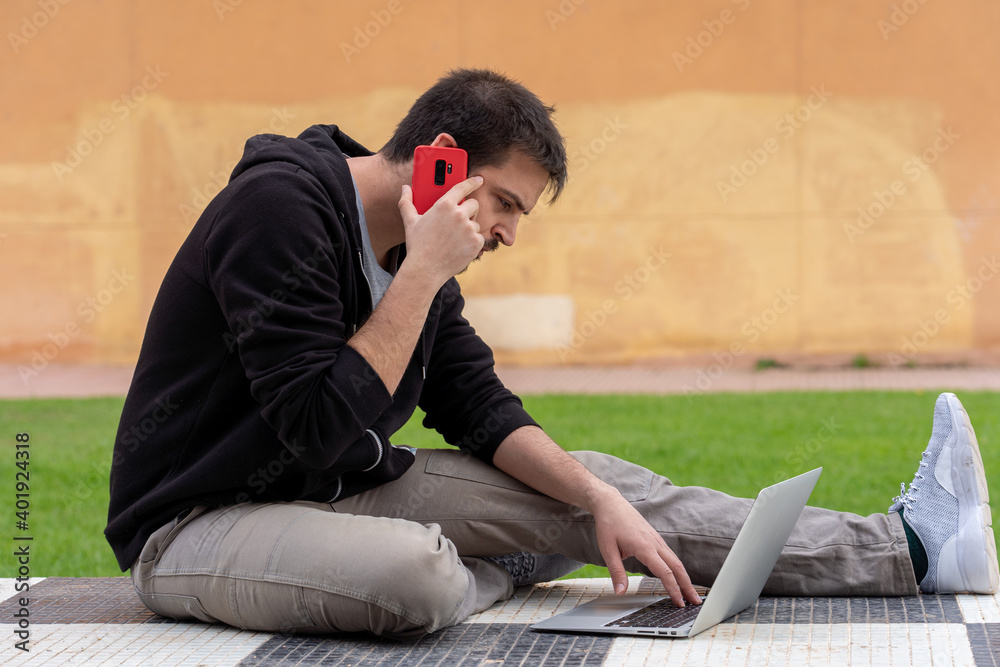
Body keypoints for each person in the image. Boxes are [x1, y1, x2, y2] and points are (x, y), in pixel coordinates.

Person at [105, 69, 997, 638]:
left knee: (601, 491)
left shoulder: (420, 258)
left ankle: (910, 546)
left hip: (343, 489)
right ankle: (488, 565)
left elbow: (479, 407)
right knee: (415, 575)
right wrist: (420, 275)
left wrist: (591, 498)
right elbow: (312, 425)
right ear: (438, 165)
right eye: (505, 204)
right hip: (198, 524)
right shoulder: (280, 209)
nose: (507, 233)